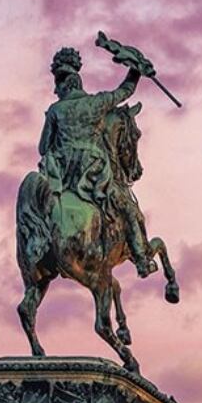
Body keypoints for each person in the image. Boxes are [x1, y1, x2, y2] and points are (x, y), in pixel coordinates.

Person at [37, 47, 156, 277]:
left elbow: (43, 148)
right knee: (127, 208)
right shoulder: (97, 103)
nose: (55, 89)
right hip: (92, 172)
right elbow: (126, 90)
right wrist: (137, 69)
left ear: (65, 84)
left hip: (62, 176)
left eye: (58, 83)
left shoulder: (55, 110)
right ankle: (141, 259)